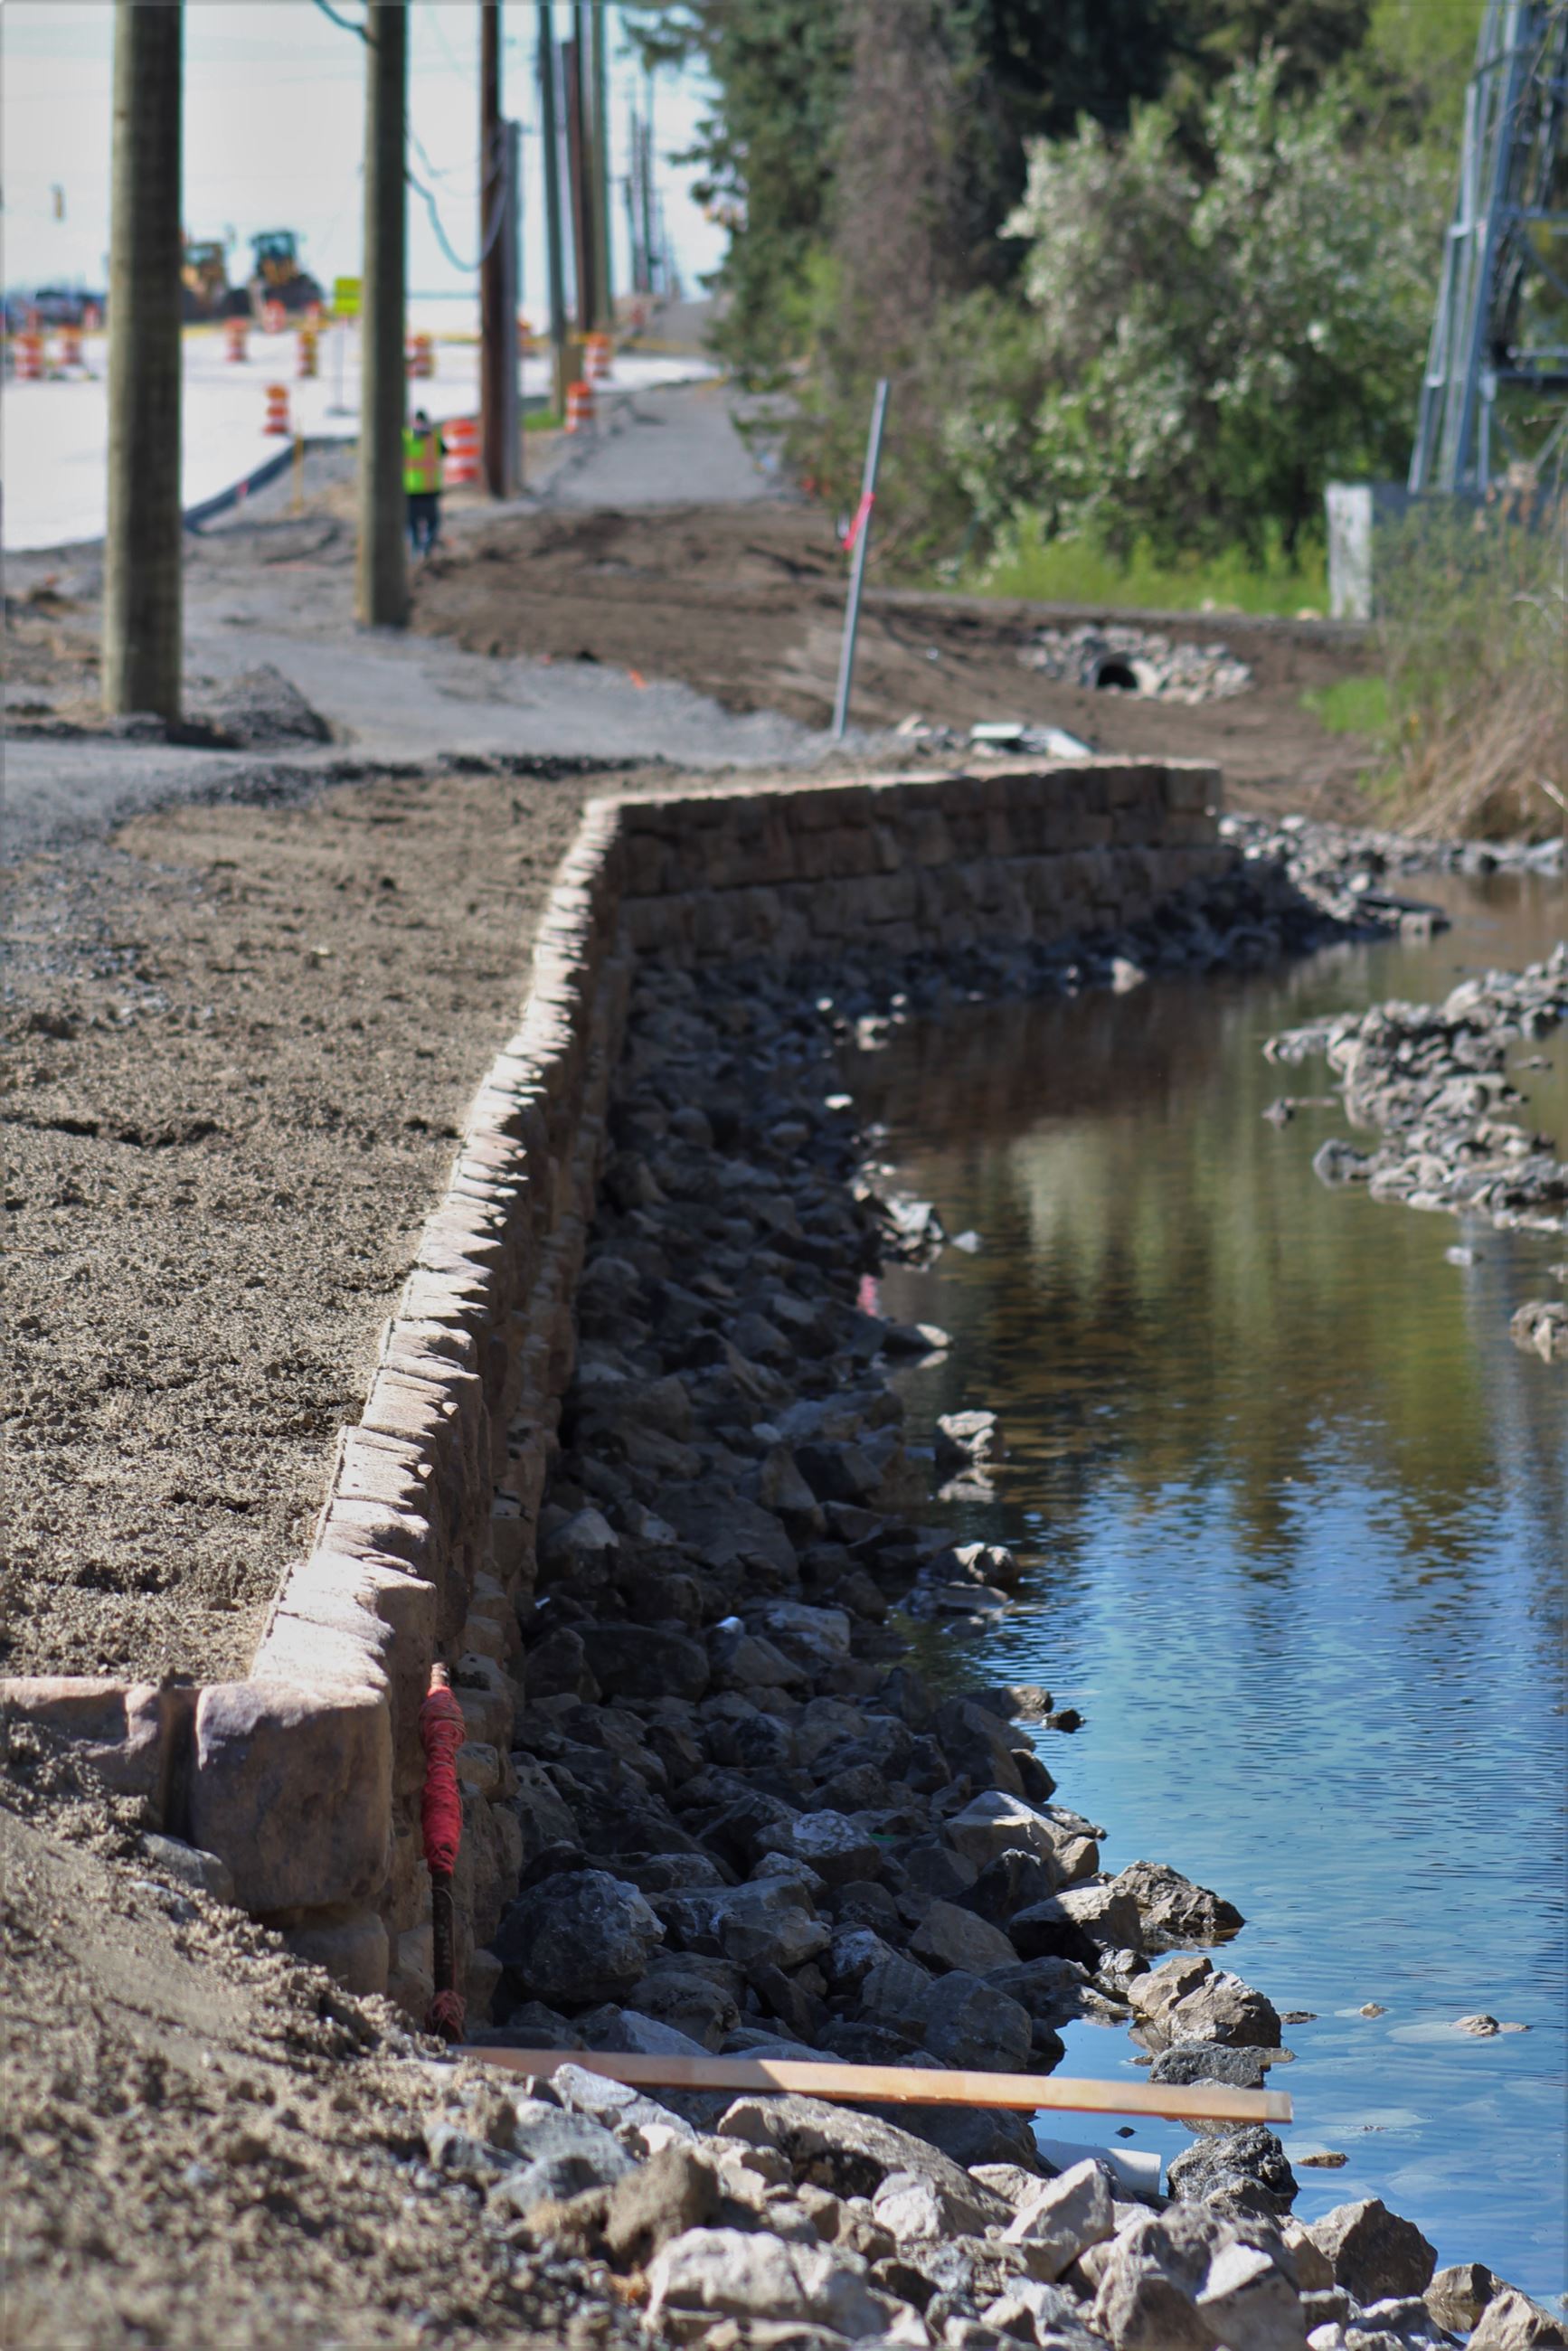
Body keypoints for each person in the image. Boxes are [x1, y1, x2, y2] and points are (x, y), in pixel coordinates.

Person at [403, 409, 445, 558]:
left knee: (412, 525)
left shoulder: (405, 438)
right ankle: (426, 550)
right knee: (433, 523)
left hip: (410, 489)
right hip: (430, 488)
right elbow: (445, 451)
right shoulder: (433, 438)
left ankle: (416, 552)